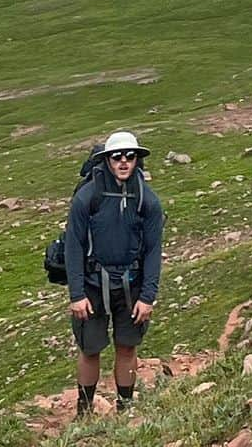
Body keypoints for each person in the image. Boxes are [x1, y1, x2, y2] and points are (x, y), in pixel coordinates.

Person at [65, 129, 164, 417]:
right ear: (107, 159)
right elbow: (74, 246)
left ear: (137, 160)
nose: (123, 162)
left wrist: (148, 297)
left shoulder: (148, 201)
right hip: (92, 286)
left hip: (131, 286)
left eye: (129, 156)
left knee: (127, 347)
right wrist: (77, 294)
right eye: (117, 157)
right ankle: (84, 412)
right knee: (90, 348)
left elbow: (153, 250)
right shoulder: (87, 198)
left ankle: (126, 409)